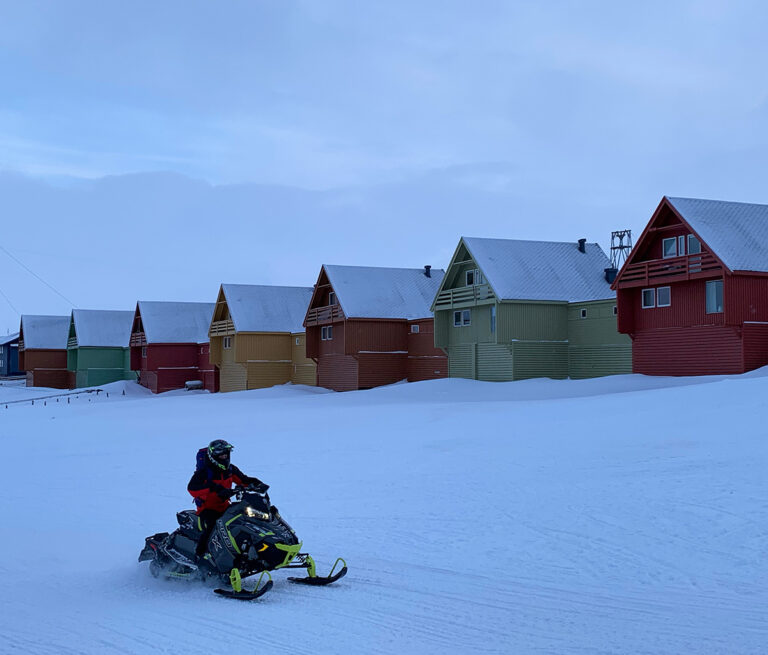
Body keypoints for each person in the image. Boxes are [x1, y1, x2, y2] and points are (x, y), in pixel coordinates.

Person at [187, 439, 265, 562]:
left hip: (225, 506)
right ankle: (200, 556)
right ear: (214, 456)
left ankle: (247, 551)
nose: (224, 457)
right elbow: (192, 488)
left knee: (247, 520)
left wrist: (257, 484)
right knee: (213, 526)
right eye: (222, 455)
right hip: (207, 509)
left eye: (226, 454)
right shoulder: (204, 472)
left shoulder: (230, 469)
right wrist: (214, 488)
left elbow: (243, 480)